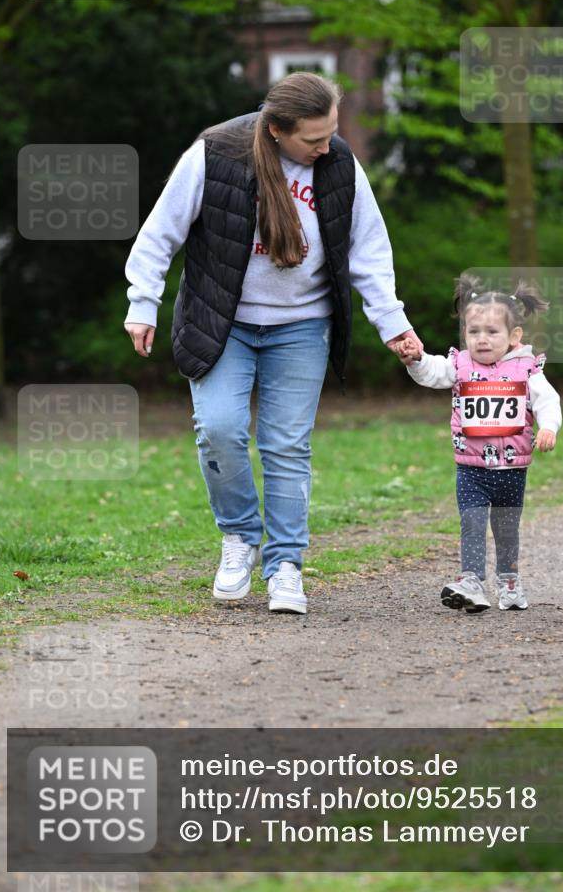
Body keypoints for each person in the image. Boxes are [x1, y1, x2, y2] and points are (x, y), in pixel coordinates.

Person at [123, 72, 422, 615]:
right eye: (314, 139)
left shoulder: (338, 164)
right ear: (277, 130)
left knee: (286, 445)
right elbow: (159, 233)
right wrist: (142, 303)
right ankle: (240, 536)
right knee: (218, 429)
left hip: (303, 325)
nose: (326, 146)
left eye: (331, 133)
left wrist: (393, 323)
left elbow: (369, 250)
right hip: (223, 321)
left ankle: (286, 565)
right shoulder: (215, 154)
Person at [394, 274, 562, 614]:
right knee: (471, 523)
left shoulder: (527, 369)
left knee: (506, 528)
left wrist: (549, 427)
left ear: (514, 336)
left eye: (492, 332)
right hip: (471, 469)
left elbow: (548, 400)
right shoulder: (459, 364)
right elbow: (432, 372)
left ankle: (509, 580)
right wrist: (416, 359)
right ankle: (471, 581)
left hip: (512, 469)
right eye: (473, 332)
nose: (481, 340)